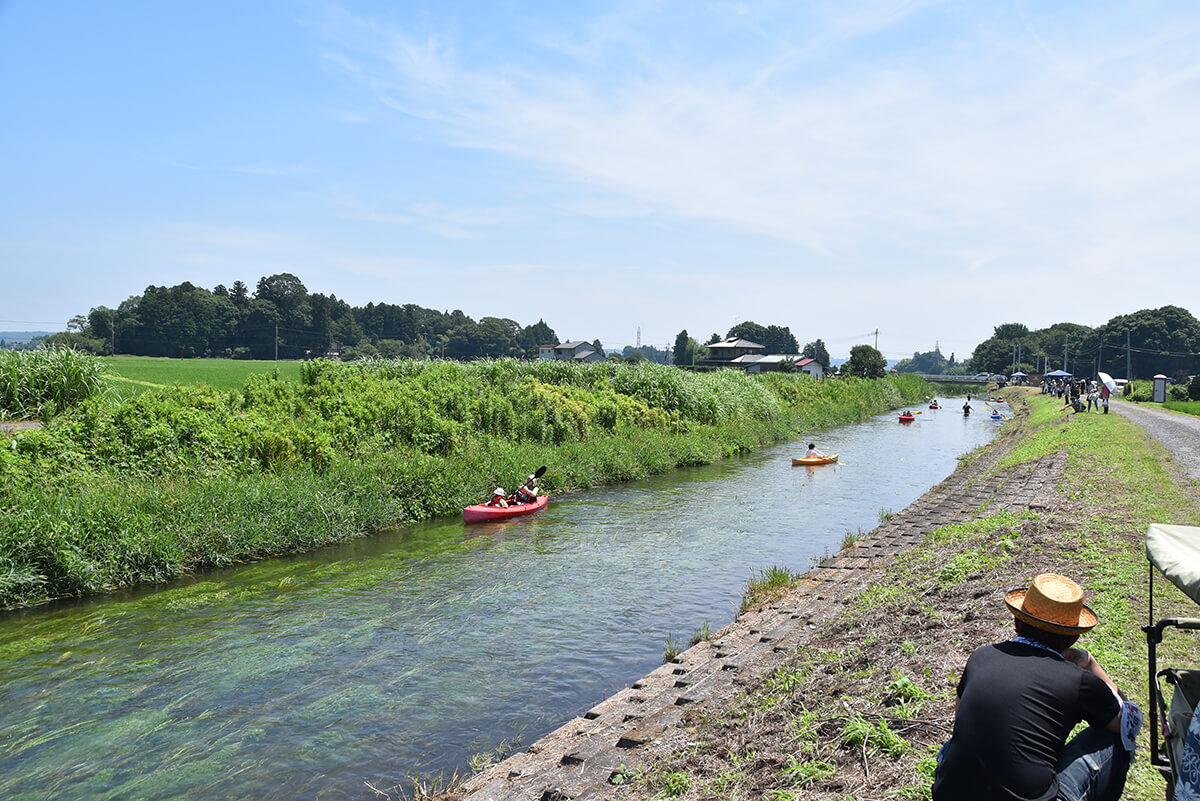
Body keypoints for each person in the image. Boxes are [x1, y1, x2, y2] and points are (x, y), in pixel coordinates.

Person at [933, 573, 1140, 801]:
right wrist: (1090, 664)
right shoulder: (1079, 680)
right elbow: (1128, 724)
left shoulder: (981, 657)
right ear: (1074, 639)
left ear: (1017, 622)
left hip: (949, 794)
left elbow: (959, 722)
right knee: (1113, 739)